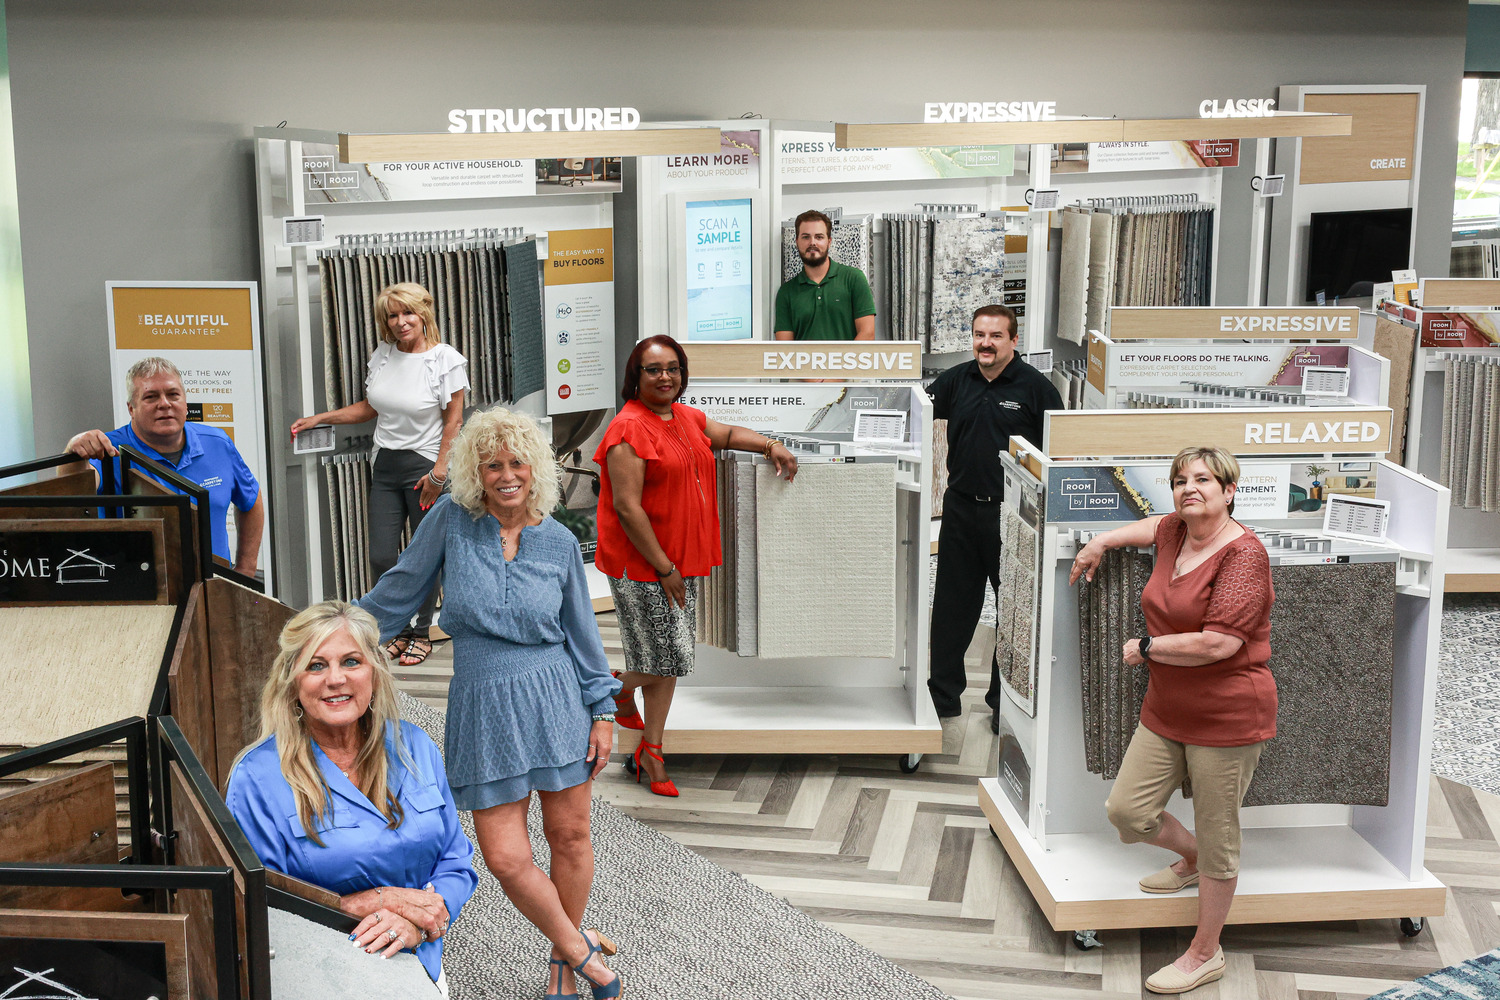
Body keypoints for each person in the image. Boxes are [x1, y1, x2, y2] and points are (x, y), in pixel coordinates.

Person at [356, 407, 623, 1000]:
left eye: (517, 462)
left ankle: (561, 962)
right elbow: (397, 592)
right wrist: (328, 631)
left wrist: (603, 712)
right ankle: (582, 951)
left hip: (555, 697)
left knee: (570, 835)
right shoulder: (451, 519)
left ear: (536, 468)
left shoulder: (556, 538)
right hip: (481, 700)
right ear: (474, 470)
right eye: (492, 463)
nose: (506, 475)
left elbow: (580, 630)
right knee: (504, 856)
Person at [1068, 446, 1275, 995]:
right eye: (1181, 480)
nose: (1190, 488)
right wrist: (1102, 541)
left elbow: (1218, 643)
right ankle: (1190, 859)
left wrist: (1148, 647)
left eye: (1203, 480)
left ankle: (1205, 952)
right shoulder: (1174, 533)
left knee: (1220, 836)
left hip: (1227, 716)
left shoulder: (1244, 556)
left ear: (1229, 491)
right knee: (1127, 811)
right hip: (1166, 708)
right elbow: (1150, 525)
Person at [225, 601, 477, 992]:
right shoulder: (256, 778)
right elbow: (258, 907)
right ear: (292, 682)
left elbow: (455, 860)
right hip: (320, 972)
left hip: (421, 966)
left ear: (374, 673)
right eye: (316, 665)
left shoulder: (415, 746)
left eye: (351, 662)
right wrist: (371, 902)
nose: (336, 679)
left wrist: (416, 921)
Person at [595, 335, 798, 796]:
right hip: (644, 565)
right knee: (672, 659)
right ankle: (612, 689)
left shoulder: (685, 417)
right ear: (636, 376)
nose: (665, 377)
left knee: (664, 661)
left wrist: (770, 446)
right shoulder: (628, 430)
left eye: (673, 368)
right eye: (653, 369)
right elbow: (628, 509)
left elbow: (723, 435)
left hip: (677, 562)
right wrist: (665, 568)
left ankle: (652, 749)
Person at [292, 282, 468, 666]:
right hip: (386, 466)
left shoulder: (445, 360)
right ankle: (397, 627)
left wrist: (440, 473)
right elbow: (370, 408)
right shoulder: (384, 355)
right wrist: (322, 418)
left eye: (408, 313)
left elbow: (453, 421)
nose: (401, 321)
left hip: (426, 469)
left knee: (424, 557)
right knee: (382, 555)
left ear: (423, 314)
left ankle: (422, 632)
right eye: (392, 315)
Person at [927, 304, 1062, 732]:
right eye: (979, 335)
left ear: (1013, 340)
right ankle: (942, 698)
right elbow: (914, 414)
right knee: (951, 608)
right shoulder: (955, 381)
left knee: (1013, 608)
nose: (986, 343)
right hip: (961, 509)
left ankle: (1002, 702)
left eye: (996, 336)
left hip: (1014, 516)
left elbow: (1060, 451)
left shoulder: (1037, 389)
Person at [65, 356, 264, 575]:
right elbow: (73, 488)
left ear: (185, 403)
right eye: (151, 397)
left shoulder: (217, 442)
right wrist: (74, 451)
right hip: (140, 593)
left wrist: (246, 568)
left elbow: (251, 500)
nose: (165, 404)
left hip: (213, 588)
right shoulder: (109, 450)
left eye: (173, 395)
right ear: (131, 408)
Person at [773, 209, 876, 341]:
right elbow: (784, 347)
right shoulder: (786, 292)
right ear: (797, 242)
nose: (812, 243)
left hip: (847, 361)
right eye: (806, 237)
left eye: (819, 237)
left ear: (829, 241)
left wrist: (840, 362)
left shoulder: (854, 279)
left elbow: (867, 334)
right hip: (804, 362)